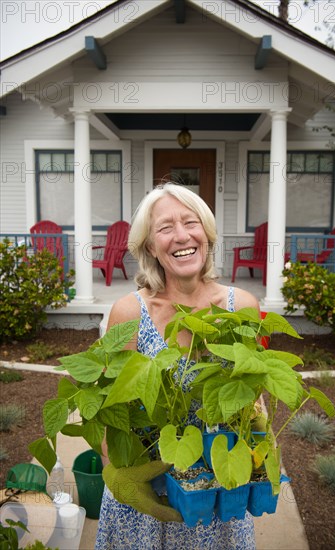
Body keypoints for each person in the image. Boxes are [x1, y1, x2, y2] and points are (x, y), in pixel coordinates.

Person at [95, 182, 259, 549]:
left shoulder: (241, 306)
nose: (182, 236)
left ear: (207, 234)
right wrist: (119, 475)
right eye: (165, 228)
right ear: (150, 246)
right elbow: (106, 409)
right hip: (149, 493)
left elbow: (251, 397)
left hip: (217, 494)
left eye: (191, 222)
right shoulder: (129, 312)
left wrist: (258, 457)